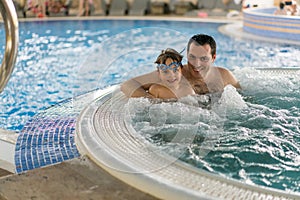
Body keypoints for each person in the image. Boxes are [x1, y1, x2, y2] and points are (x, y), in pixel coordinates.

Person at [121, 34, 241, 98]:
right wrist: (151, 101)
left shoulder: (225, 76)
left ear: (213, 58)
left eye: (203, 58)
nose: (196, 64)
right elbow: (127, 85)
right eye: (192, 57)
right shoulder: (173, 75)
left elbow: (245, 100)